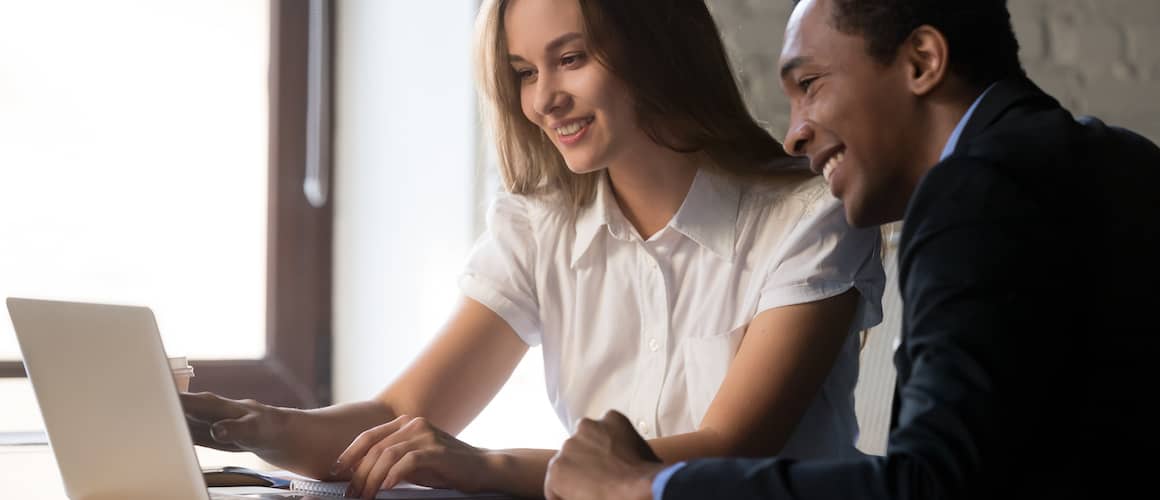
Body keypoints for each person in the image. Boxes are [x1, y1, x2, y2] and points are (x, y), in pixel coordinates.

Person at [182, 0, 885, 498]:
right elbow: (398, 415)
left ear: (658, 49)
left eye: (569, 60)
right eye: (523, 71)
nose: (544, 99)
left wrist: (483, 467)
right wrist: (241, 422)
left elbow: (728, 453)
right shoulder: (540, 226)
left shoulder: (809, 216)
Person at [542, 0, 1160, 499]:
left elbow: (934, 484)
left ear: (922, 60)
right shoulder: (1125, 160)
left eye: (809, 84)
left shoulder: (972, 188)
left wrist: (644, 483)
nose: (793, 135)